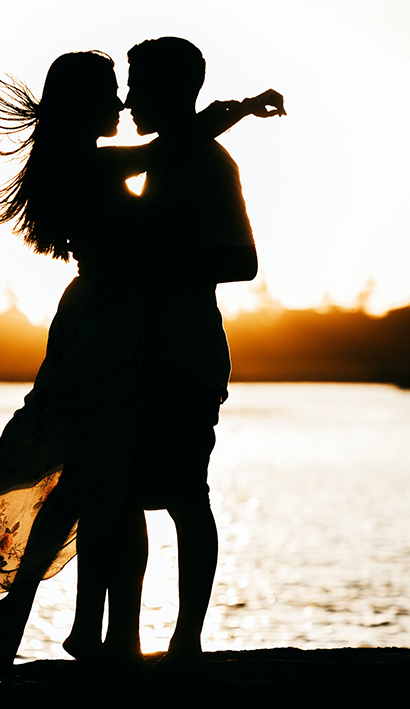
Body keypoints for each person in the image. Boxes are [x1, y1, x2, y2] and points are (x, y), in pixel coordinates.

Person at [0, 49, 283, 673]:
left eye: (132, 89)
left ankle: (69, 623)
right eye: (113, 93)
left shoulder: (96, 162)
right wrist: (238, 111)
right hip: (106, 331)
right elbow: (163, 154)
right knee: (97, 477)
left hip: (113, 327)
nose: (124, 104)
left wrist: (232, 114)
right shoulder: (95, 166)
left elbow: (188, 189)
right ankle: (73, 623)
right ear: (84, 105)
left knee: (96, 477)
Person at [65, 37, 285, 673]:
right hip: (138, 351)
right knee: (127, 491)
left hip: (184, 354)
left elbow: (240, 262)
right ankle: (122, 641)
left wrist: (148, 264)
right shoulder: (165, 159)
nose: (130, 99)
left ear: (171, 89)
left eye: (139, 85)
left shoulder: (207, 164)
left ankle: (186, 640)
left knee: (186, 493)